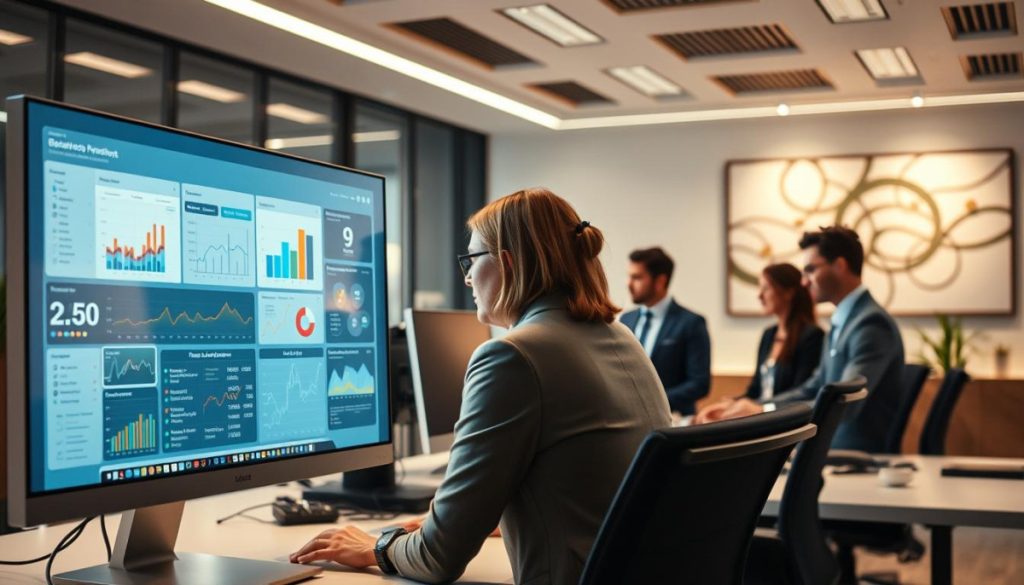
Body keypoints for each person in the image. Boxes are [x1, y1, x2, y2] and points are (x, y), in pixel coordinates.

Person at [290, 188, 671, 584]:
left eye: (471, 260)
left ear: (506, 263)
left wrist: (377, 545)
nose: (468, 276)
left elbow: (439, 559)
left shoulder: (514, 356)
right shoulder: (622, 337)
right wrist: (481, 515)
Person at [696, 226, 903, 453]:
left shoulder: (870, 323)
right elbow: (813, 387)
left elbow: (845, 405)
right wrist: (758, 406)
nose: (804, 282)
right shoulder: (843, 321)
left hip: (853, 454)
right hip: (827, 448)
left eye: (810, 270)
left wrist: (762, 412)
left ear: (840, 266)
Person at [620, 247, 711, 415]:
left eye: (637, 277)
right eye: (629, 276)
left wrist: (654, 401)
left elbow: (700, 384)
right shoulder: (626, 320)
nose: (629, 283)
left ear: (660, 281)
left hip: (675, 422)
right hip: (630, 420)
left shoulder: (691, 323)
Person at [743, 263, 824, 402]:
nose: (759, 295)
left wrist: (757, 407)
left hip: (785, 419)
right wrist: (731, 405)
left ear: (788, 293)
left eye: (766, 288)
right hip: (761, 415)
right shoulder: (769, 334)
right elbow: (755, 390)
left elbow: (801, 392)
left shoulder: (812, 336)